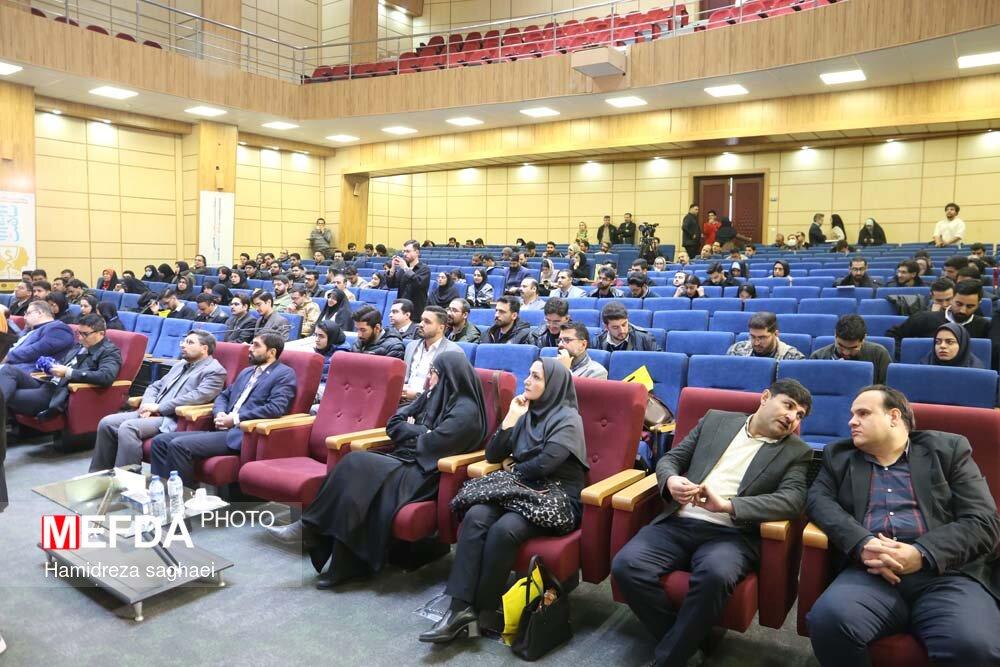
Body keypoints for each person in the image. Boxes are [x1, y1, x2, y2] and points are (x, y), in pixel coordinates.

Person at [613, 379, 813, 667]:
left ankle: (670, 659)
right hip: (679, 521)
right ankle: (689, 646)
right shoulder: (716, 420)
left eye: (800, 415)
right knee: (626, 566)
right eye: (789, 405)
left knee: (716, 575)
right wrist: (671, 480)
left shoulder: (797, 451)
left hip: (732, 534)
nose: (792, 417)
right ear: (765, 397)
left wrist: (728, 506)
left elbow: (793, 500)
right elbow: (671, 459)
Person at [805, 385, 1000, 666]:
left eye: (863, 413)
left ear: (894, 416)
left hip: (945, 574)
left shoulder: (947, 450)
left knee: (974, 646)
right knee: (829, 621)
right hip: (872, 572)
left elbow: (983, 522)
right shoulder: (839, 455)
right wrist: (862, 543)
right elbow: (817, 501)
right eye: (852, 414)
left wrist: (921, 553)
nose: (851, 421)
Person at [269, 350, 486, 588]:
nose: (428, 377)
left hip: (428, 474)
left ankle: (313, 530)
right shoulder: (434, 396)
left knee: (356, 463)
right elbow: (394, 422)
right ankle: (336, 556)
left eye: (433, 372)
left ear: (448, 376)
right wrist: (419, 426)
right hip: (406, 460)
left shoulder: (466, 411)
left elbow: (434, 443)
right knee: (352, 472)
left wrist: (416, 432)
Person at [421, 359, 588, 644]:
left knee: (505, 529)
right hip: (520, 488)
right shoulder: (526, 412)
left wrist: (514, 468)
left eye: (536, 377)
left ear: (553, 386)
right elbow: (493, 454)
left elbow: (545, 464)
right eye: (529, 374)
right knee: (476, 516)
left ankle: (481, 609)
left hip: (554, 495)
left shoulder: (568, 419)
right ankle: (459, 609)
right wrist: (511, 418)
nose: (527, 381)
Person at [150, 333, 296, 485]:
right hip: (221, 429)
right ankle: (162, 490)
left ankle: (183, 495)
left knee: (179, 445)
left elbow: (275, 408)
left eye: (256, 345)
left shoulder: (283, 374)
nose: (250, 348)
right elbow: (223, 396)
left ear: (271, 352)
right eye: (251, 344)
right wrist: (219, 413)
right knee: (160, 441)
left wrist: (234, 419)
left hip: (243, 434)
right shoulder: (247, 372)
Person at [89, 330, 226, 471]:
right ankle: (99, 474)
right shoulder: (180, 364)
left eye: (189, 342)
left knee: (129, 427)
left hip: (174, 418)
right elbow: (155, 386)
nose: (183, 345)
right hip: (153, 412)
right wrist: (147, 406)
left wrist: (159, 408)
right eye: (183, 341)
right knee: (106, 422)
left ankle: (128, 477)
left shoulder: (215, 371)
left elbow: (197, 397)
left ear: (204, 348)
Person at [0, 314, 122, 424]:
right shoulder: (80, 345)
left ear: (101, 333)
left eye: (85, 334)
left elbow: (106, 376)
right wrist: (51, 366)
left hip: (58, 394)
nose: (80, 338)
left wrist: (69, 373)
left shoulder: (109, 352)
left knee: (8, 395)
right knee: (8, 369)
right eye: (79, 333)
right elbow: (64, 363)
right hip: (47, 383)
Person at [887, 279, 990, 340]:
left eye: (970, 306)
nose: (962, 310)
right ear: (953, 299)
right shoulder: (924, 318)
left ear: (979, 304)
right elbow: (893, 335)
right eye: (958, 304)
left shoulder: (984, 326)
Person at [402, 307, 461, 403]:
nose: (421, 324)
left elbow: (450, 391)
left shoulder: (453, 352)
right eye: (421, 320)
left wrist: (417, 395)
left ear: (441, 328)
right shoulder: (411, 346)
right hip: (402, 399)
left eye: (427, 322)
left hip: (429, 405)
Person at [810, 314, 891, 384]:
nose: (846, 353)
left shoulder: (879, 355)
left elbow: (888, 390)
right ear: (835, 335)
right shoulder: (818, 357)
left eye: (853, 348)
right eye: (841, 346)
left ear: (863, 339)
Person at [3, 302, 74, 371]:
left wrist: (7, 356)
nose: (24, 317)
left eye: (28, 313)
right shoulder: (31, 329)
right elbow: (14, 344)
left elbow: (36, 350)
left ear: (39, 313)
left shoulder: (58, 329)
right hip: (11, 364)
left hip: (29, 369)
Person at [727, 312, 806, 360]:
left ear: (776, 334)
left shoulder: (793, 358)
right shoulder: (736, 350)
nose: (756, 343)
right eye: (753, 337)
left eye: (762, 337)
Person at [387, 240, 431, 317]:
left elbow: (419, 284)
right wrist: (393, 268)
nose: (404, 254)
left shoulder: (424, 269)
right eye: (404, 251)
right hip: (401, 310)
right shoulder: (402, 270)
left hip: (416, 311)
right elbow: (391, 284)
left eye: (408, 251)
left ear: (417, 252)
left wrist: (405, 268)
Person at [594, 301, 659, 352]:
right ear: (606, 327)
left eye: (624, 325)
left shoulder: (645, 339)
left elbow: (659, 362)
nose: (622, 330)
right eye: (615, 327)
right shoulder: (597, 342)